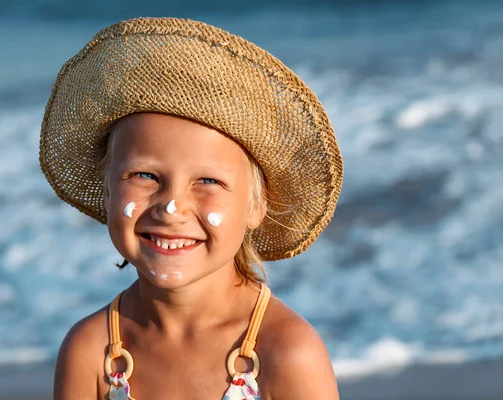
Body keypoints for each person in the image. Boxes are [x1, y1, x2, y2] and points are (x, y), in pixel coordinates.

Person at [40, 17, 343, 400]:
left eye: (208, 181)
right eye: (145, 175)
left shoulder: (285, 352)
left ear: (256, 206)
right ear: (106, 191)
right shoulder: (92, 352)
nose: (171, 207)